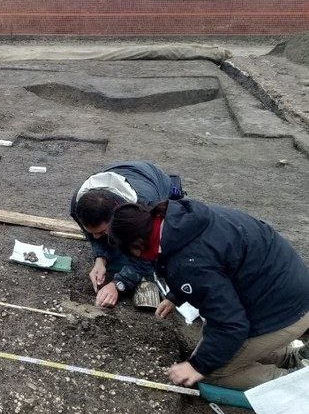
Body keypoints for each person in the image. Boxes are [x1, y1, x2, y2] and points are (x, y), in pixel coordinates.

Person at [108, 199, 309, 390]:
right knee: (217, 351)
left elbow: (231, 324)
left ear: (137, 245)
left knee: (214, 373)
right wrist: (176, 295)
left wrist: (197, 367)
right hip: (286, 289)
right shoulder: (176, 220)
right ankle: (294, 358)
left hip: (284, 312)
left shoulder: (187, 263)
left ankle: (297, 385)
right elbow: (211, 265)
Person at [70, 161, 183, 307]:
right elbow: (94, 234)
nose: (96, 237)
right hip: (126, 173)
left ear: (117, 216)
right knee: (115, 256)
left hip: (155, 182)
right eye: (93, 233)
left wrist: (118, 284)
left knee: (156, 259)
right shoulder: (78, 205)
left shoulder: (146, 208)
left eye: (102, 232)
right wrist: (100, 259)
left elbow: (148, 253)